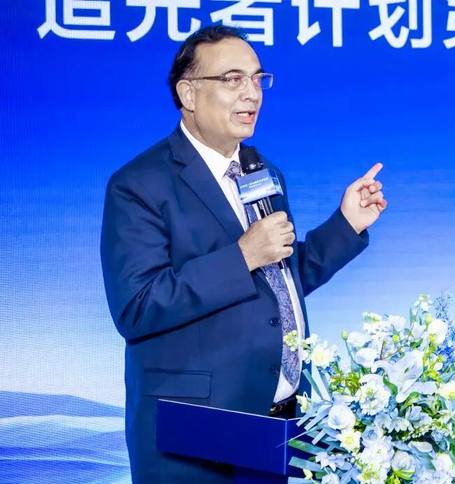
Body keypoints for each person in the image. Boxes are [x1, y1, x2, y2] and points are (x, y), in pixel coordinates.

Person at [100, 25, 386, 483]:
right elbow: (138, 307)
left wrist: (346, 225)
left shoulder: (261, 171)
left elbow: (278, 282)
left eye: (257, 79)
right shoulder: (139, 184)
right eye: (232, 79)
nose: (252, 93)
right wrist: (242, 256)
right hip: (192, 436)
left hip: (273, 429)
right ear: (188, 93)